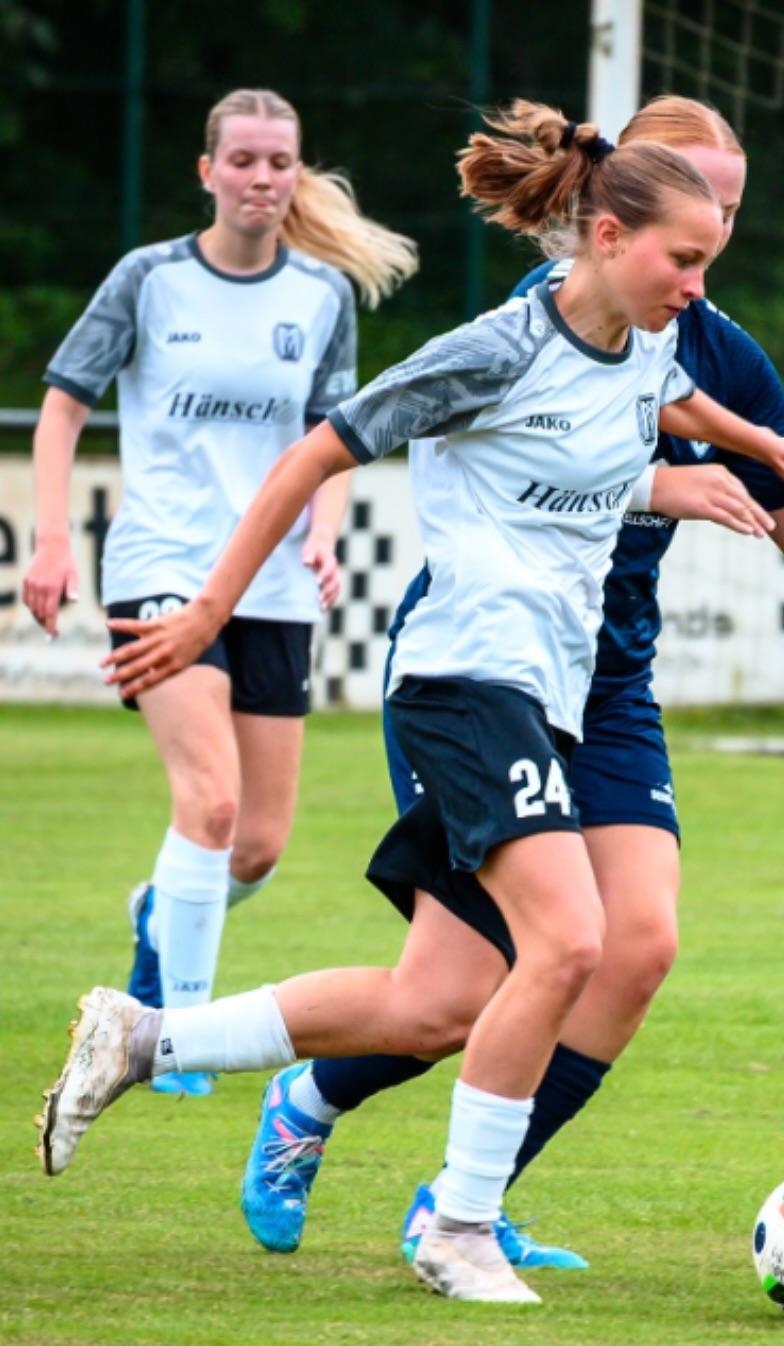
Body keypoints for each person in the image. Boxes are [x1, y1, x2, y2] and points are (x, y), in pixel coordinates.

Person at [36, 99, 784, 1306]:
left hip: (543, 695)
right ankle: (459, 1225)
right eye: (683, 258)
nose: (698, 285)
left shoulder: (641, 339)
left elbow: (668, 405)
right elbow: (315, 452)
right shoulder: (489, 350)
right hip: (466, 679)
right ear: (604, 236)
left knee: (430, 1003)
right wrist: (211, 610)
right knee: (571, 939)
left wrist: (762, 451)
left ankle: (146, 1035)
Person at [232, 95, 784, 1270]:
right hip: (483, 670)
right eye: (695, 198)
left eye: (732, 209)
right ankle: (307, 1099)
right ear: (617, 202)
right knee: (481, 977)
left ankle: (462, 1201)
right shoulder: (558, 313)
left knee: (634, 945)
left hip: (608, 685)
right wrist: (667, 485)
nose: (715, 230)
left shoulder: (710, 340)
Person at [22, 88, 418, 1096]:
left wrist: (323, 535)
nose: (260, 177)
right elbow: (62, 408)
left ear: (296, 173)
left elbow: (332, 441)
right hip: (159, 565)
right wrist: (54, 539)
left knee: (257, 846)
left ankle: (160, 914)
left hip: (273, 584)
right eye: (241, 159)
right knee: (210, 802)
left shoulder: (322, 294)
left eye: (278, 161)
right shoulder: (148, 279)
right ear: (207, 172)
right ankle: (174, 1043)